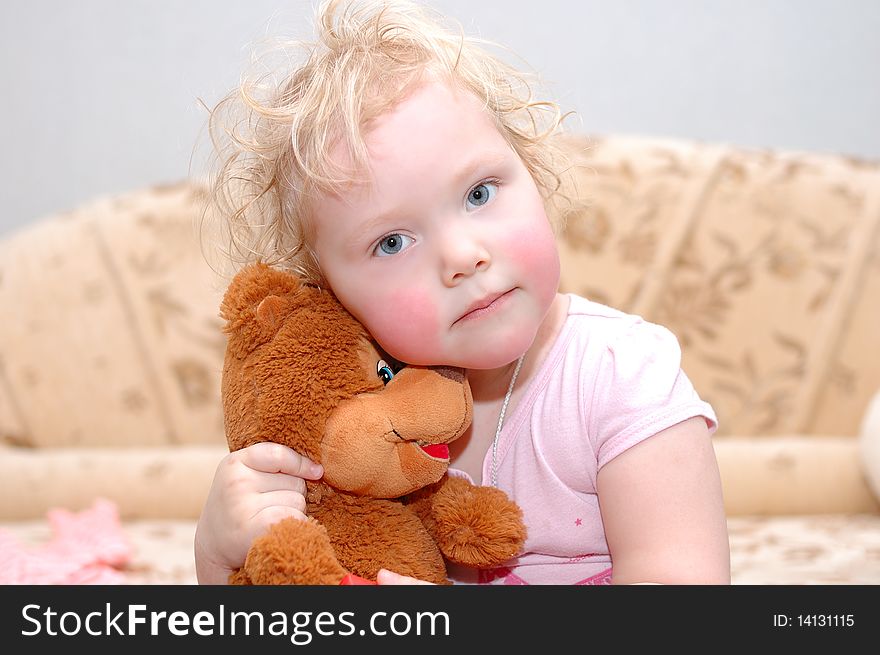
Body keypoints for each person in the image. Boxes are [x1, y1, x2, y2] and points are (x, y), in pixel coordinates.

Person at [194, 0, 730, 585]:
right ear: (331, 294)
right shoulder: (357, 425)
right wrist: (220, 555)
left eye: (479, 193)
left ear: (534, 171)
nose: (462, 256)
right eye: (393, 242)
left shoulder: (622, 374)